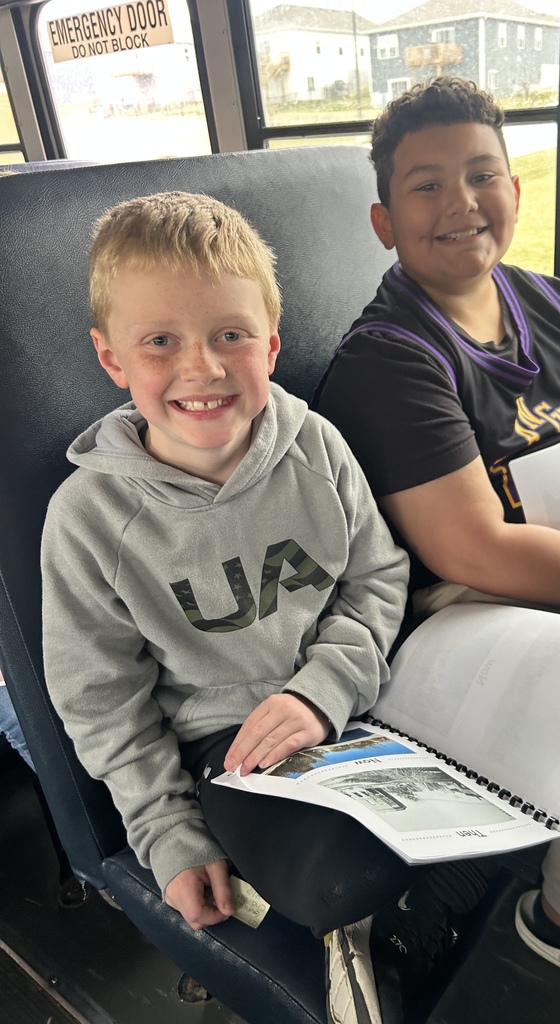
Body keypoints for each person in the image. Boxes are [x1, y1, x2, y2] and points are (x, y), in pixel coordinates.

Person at [43, 191, 493, 1024]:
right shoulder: (88, 521)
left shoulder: (315, 445)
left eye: (230, 336)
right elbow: (101, 702)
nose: (202, 369)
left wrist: (323, 689)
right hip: (234, 745)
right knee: (337, 884)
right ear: (112, 360)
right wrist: (166, 835)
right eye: (160, 343)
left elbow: (377, 578)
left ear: (272, 343)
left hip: (362, 694)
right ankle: (381, 933)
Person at [313, 78, 560, 1007]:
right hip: (444, 613)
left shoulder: (556, 307)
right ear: (383, 219)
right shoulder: (390, 358)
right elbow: (471, 551)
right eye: (426, 186)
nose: (460, 203)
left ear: (516, 193)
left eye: (481, 174)